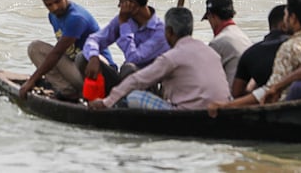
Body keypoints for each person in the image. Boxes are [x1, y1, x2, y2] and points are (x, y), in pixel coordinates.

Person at [207, 0, 301, 114]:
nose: (285, 19)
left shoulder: (290, 47)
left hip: (297, 109)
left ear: (293, 19)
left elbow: (270, 90)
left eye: (286, 15)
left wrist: (227, 106)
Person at [89, 7, 230, 111]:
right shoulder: (211, 52)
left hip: (189, 112)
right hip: (220, 108)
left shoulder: (172, 57)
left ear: (168, 32)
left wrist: (107, 102)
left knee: (134, 97)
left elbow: (137, 79)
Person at [21, 0, 113, 100]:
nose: (54, 8)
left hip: (99, 75)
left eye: (58, 1)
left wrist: (32, 80)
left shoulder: (76, 18)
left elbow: (57, 53)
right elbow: (62, 52)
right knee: (35, 48)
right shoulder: (53, 16)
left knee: (47, 52)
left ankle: (69, 92)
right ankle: (67, 89)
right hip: (78, 71)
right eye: (49, 5)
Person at [81, 0, 169, 90]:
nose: (119, 6)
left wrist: (124, 25)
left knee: (129, 69)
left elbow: (133, 58)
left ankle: (121, 103)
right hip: (124, 80)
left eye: (121, 2)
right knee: (82, 57)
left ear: (132, 4)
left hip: (146, 84)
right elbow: (94, 39)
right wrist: (93, 56)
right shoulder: (125, 20)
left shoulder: (160, 31)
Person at [230, 4, 289, 98]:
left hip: (265, 106)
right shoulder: (299, 47)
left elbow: (237, 92)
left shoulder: (251, 53)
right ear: (284, 25)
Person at [202, 0, 251, 83]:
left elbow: (206, 79)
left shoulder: (217, 43)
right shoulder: (243, 36)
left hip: (229, 94)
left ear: (212, 16)